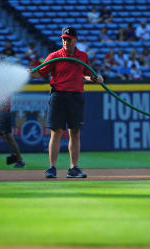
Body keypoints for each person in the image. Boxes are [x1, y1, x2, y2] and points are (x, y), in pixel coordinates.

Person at [29, 26, 104, 179]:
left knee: (75, 133)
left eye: (68, 39)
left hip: (76, 96)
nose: (65, 41)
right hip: (58, 96)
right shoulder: (54, 56)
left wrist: (96, 78)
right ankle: (52, 168)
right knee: (56, 132)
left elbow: (87, 75)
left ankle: (73, 168)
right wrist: (29, 73)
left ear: (75, 40)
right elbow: (40, 73)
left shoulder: (82, 56)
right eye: (63, 39)